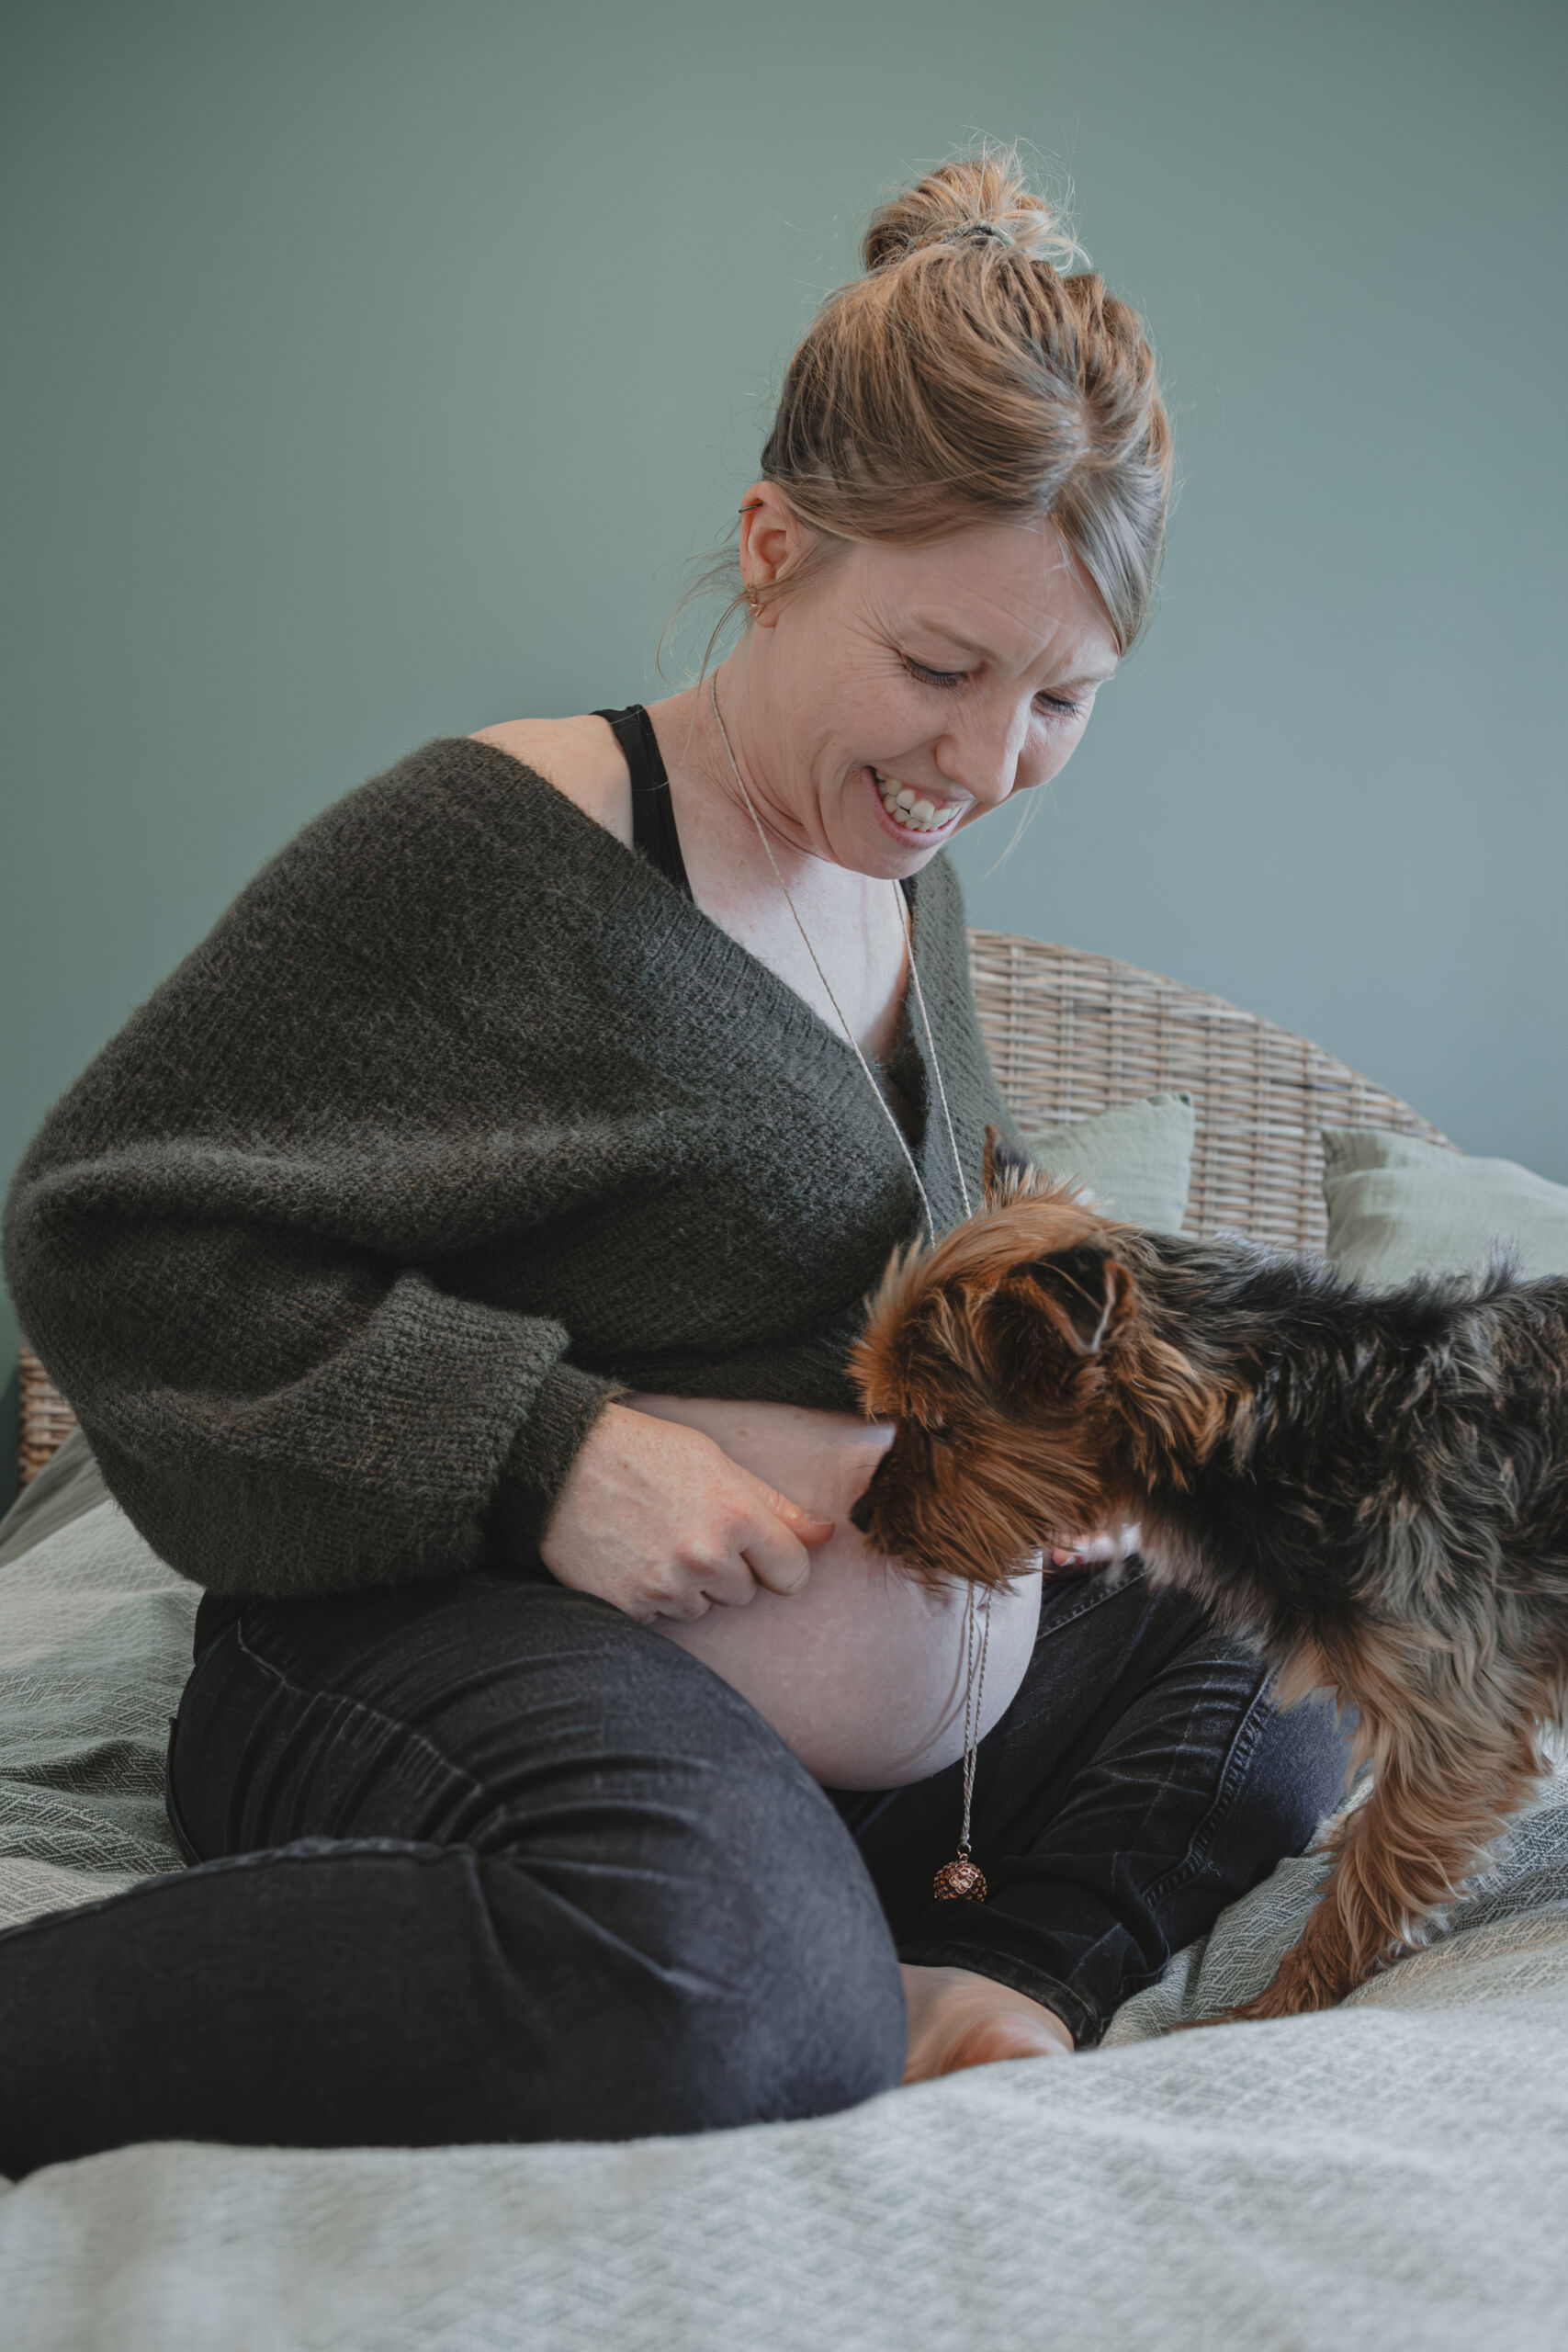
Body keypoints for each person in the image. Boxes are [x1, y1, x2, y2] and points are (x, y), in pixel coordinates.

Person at [0, 151, 1349, 2179]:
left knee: (1312, 1585)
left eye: (1059, 699)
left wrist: (1057, 1449)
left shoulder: (910, 889)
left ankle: (996, 1977)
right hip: (429, 1655)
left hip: (800, 1742)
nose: (980, 765)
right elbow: (107, 1227)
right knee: (720, 1969)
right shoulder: (495, 844)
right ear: (770, 543)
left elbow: (871, 1257)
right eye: (936, 666)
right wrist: (545, 1452)